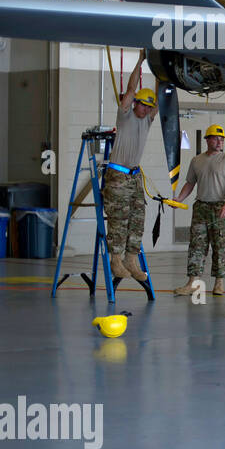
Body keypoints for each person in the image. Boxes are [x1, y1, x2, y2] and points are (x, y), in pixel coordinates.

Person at [103, 52, 157, 281]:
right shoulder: (125, 115)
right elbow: (132, 87)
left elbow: (162, 98)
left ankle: (131, 259)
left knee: (138, 218)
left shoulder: (147, 120)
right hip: (118, 174)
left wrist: (164, 71)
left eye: (148, 106)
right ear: (135, 103)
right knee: (119, 219)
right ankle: (115, 260)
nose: (144, 109)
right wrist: (140, 61)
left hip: (134, 176)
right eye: (142, 105)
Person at [173, 124, 225, 296]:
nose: (220, 142)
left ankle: (219, 283)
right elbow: (190, 183)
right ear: (207, 140)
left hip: (220, 206)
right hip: (201, 207)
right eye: (216, 138)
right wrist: (179, 199)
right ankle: (192, 282)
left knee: (220, 246)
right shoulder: (197, 160)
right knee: (197, 246)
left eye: (222, 139)